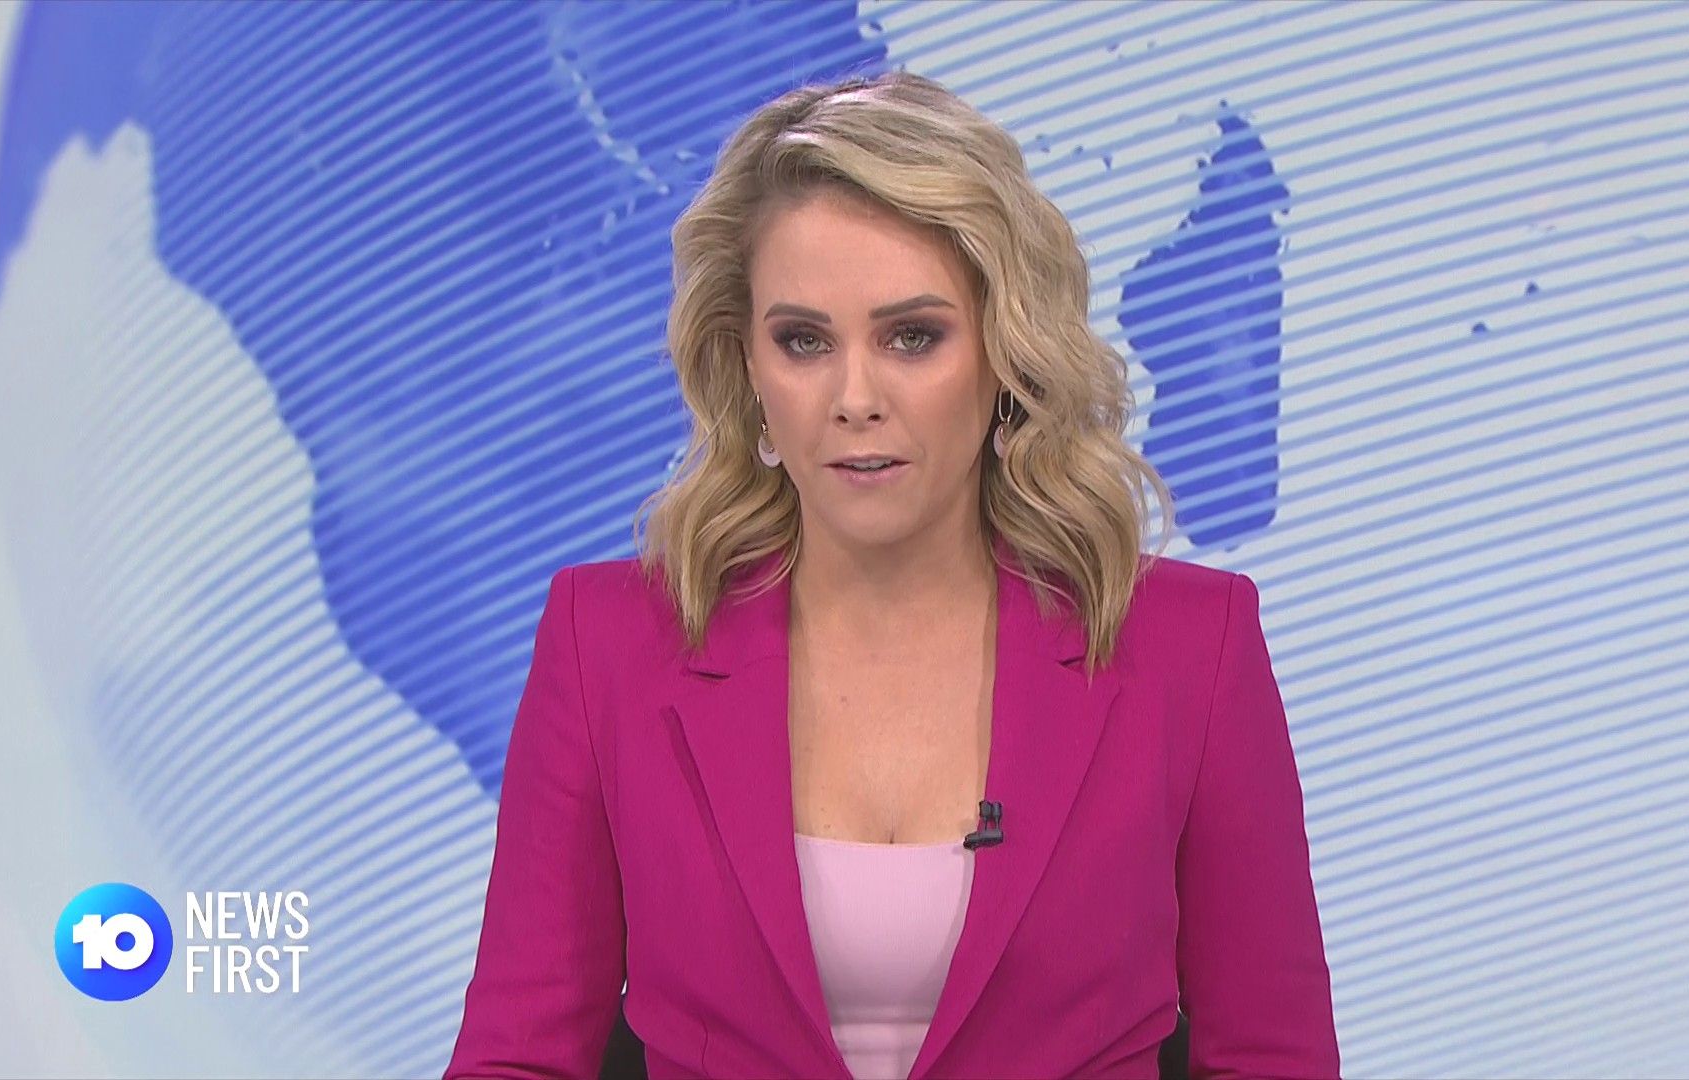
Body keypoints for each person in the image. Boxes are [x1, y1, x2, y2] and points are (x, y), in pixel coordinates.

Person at [443, 70, 1339, 1080]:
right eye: (804, 341)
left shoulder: (1189, 650)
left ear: (1004, 354)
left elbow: (1275, 1058)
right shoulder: (606, 643)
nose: (855, 396)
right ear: (747, 367)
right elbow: (516, 1058)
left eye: (913, 336)